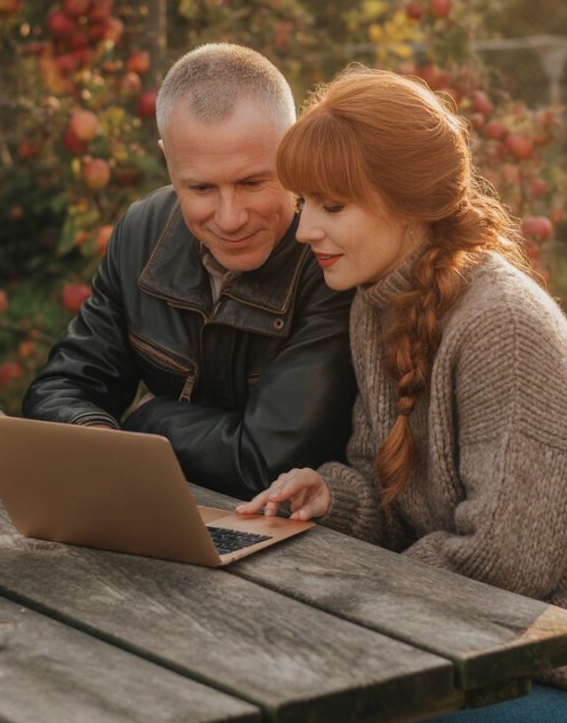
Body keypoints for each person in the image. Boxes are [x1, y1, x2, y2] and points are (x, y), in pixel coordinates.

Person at [236, 65, 567, 723]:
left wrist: (354, 592)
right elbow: (396, 489)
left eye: (331, 207)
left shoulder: (502, 327)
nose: (304, 229)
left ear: (407, 205)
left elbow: (501, 562)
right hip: (492, 650)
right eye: (304, 201)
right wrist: (337, 497)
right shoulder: (380, 302)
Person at [22, 43, 357, 500]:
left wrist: (148, 421)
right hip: (166, 516)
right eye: (200, 187)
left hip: (304, 549)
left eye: (252, 182)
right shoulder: (142, 231)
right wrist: (99, 437)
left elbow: (267, 462)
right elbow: (62, 386)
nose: (230, 217)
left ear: (292, 145)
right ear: (167, 161)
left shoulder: (333, 257)